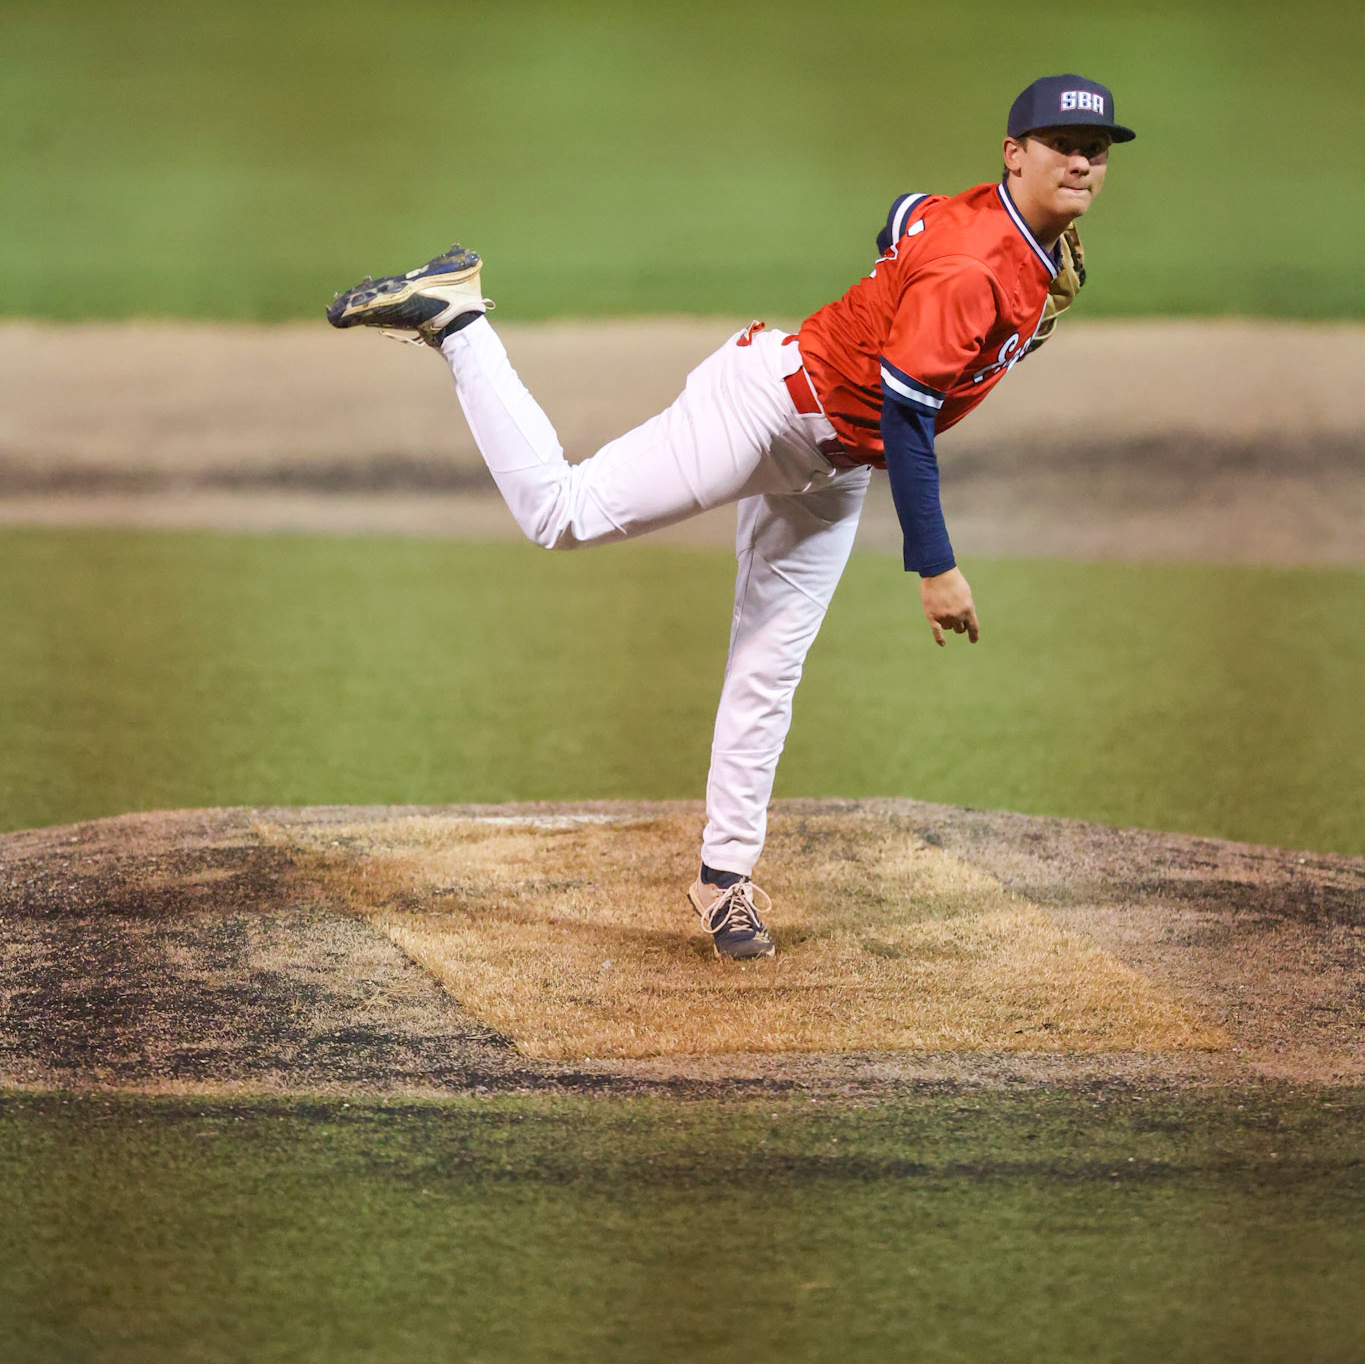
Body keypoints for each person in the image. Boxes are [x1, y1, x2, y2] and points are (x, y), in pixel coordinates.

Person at [326, 73, 1134, 961]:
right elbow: (908, 414)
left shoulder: (996, 231)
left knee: (767, 665)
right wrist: (933, 565)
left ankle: (724, 882)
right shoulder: (974, 266)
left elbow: (904, 213)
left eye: (1094, 148)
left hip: (832, 462)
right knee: (560, 513)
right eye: (1061, 143)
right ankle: (458, 319)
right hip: (763, 412)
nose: (1082, 160)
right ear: (1014, 154)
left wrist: (896, 278)